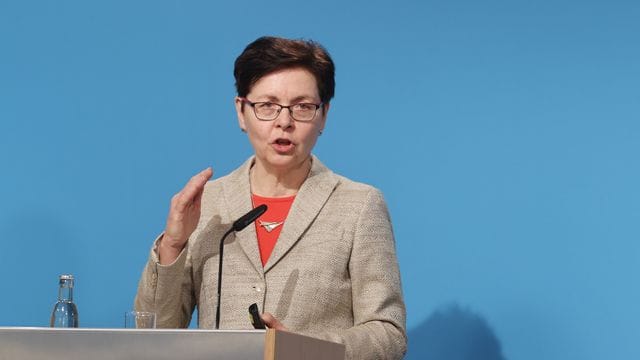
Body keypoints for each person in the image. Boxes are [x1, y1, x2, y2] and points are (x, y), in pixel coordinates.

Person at [135, 36, 406, 359]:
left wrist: (308, 351)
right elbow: (153, 334)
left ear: (324, 115)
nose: (284, 121)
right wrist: (173, 246)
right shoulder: (208, 203)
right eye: (267, 106)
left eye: (303, 107)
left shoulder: (359, 205)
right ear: (241, 111)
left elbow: (388, 333)